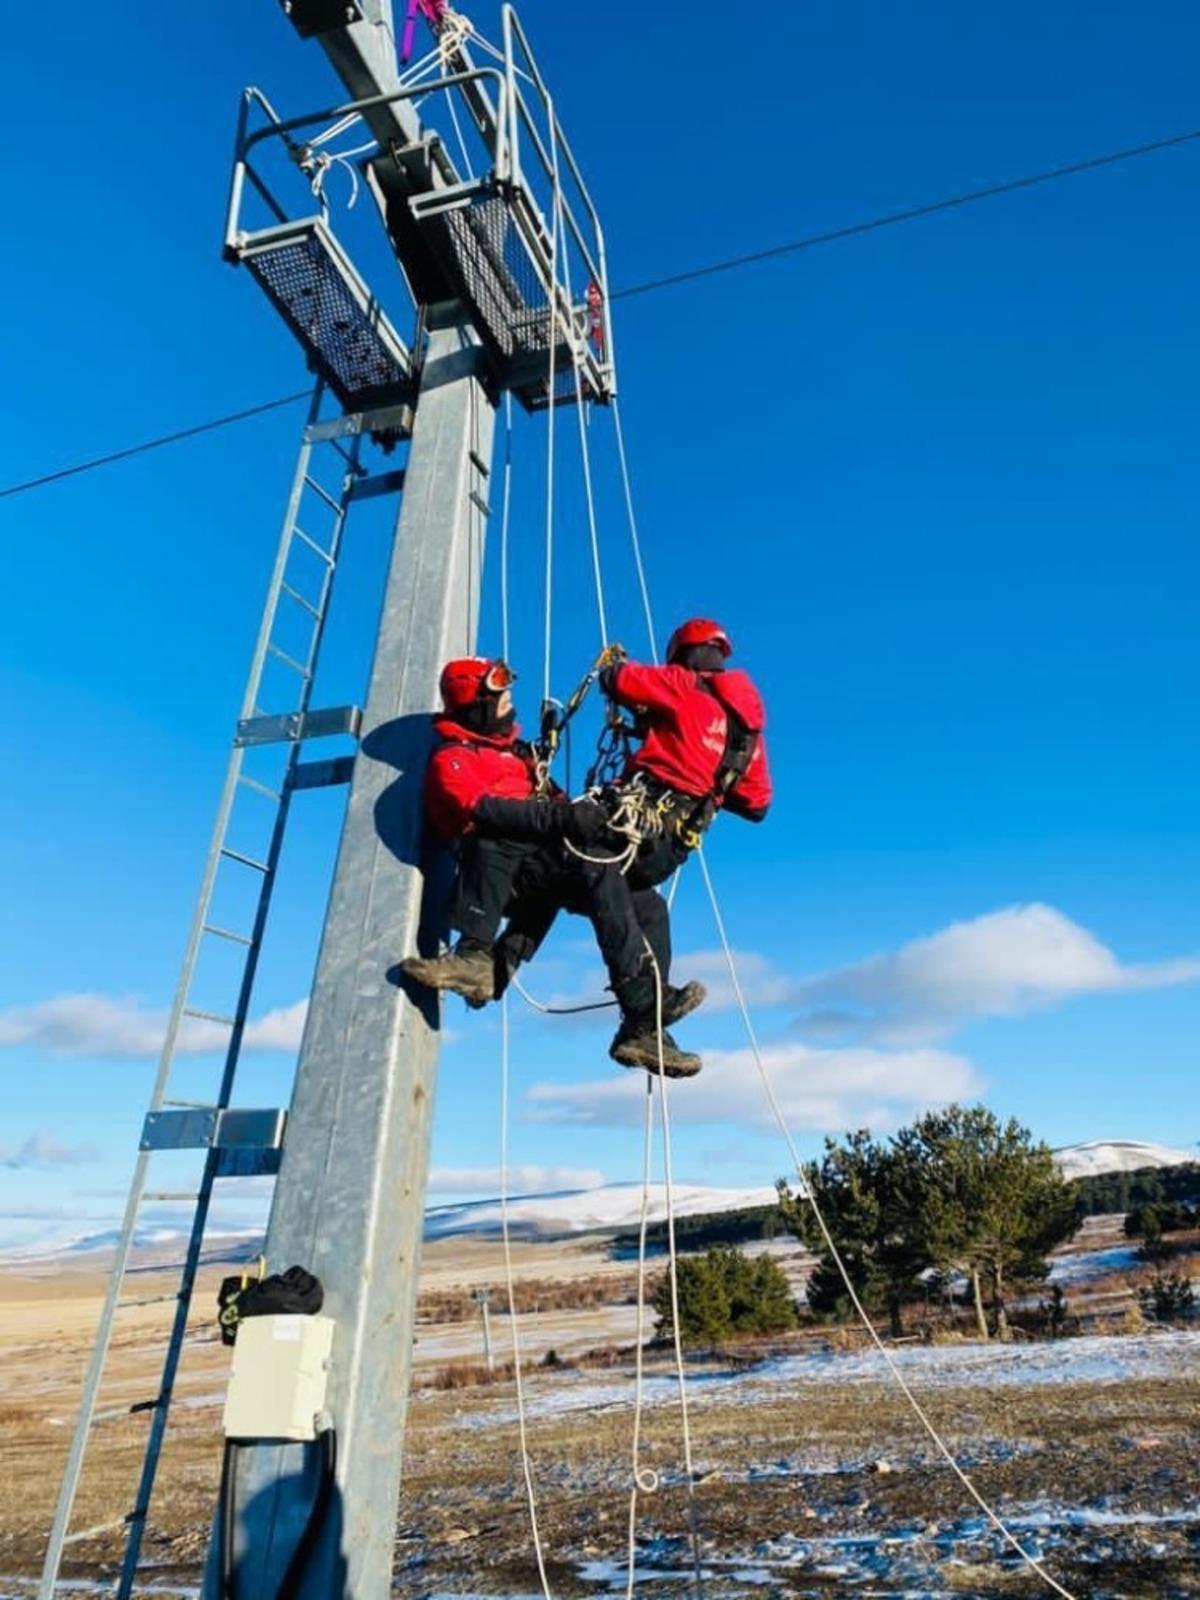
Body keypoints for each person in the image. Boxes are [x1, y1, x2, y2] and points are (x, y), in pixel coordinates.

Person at [400, 657, 704, 1064]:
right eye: (500, 693)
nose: (510, 699)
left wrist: (594, 815)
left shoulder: (521, 757)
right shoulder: (454, 758)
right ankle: (475, 955)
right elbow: (485, 810)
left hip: (541, 863)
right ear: (476, 704)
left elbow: (556, 807)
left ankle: (642, 1030)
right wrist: (562, 818)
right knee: (527, 839)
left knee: (647, 904)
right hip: (500, 871)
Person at [571, 616, 772, 1071]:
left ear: (682, 655)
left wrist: (640, 693)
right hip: (671, 848)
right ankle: (643, 1033)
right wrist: (700, 764)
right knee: (649, 907)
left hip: (634, 827)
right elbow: (757, 804)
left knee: (582, 857)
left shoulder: (681, 684)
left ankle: (641, 1000)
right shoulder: (748, 731)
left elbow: (617, 678)